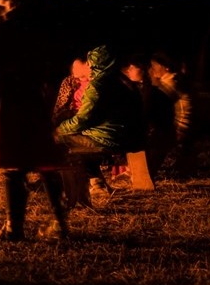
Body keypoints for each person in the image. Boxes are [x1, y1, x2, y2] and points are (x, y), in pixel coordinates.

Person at [0, 0, 69, 242]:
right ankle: (61, 224)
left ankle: (13, 228)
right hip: (33, 99)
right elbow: (48, 61)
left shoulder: (4, 23)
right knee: (44, 161)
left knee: (13, 165)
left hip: (11, 101)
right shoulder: (38, 23)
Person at [55, 46, 147, 197]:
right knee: (80, 142)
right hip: (129, 136)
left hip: (108, 139)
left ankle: (76, 195)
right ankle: (97, 183)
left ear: (94, 64)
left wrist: (59, 128)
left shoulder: (98, 86)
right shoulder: (123, 81)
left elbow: (82, 120)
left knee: (59, 142)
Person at [147, 52, 195, 178]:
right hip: (180, 125)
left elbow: (157, 102)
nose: (152, 69)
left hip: (181, 126)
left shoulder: (172, 82)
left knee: (154, 142)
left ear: (166, 67)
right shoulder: (170, 81)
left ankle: (147, 172)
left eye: (155, 65)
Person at [52, 56, 91, 126]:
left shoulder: (93, 83)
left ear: (86, 66)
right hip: (72, 115)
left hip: (86, 114)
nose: (74, 70)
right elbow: (60, 103)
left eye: (77, 67)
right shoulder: (69, 81)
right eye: (73, 67)